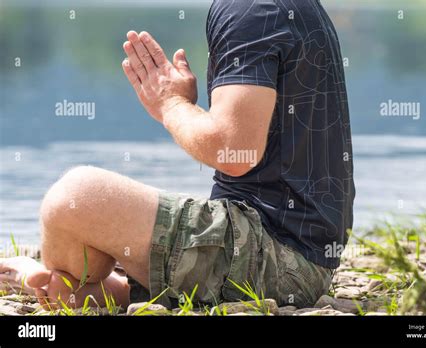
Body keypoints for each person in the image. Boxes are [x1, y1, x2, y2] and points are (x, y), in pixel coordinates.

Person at [0, 0, 354, 310]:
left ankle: (72, 276)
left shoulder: (251, 9)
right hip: (302, 259)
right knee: (72, 276)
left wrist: (170, 104)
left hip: (278, 259)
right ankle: (87, 287)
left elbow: (232, 150)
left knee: (72, 197)